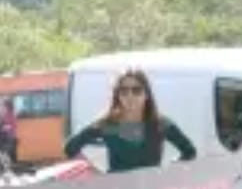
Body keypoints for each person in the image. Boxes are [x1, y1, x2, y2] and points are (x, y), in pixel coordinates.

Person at [64, 68, 196, 172]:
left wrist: (168, 171)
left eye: (136, 90)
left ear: (146, 94)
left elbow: (189, 152)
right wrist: (95, 172)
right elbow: (70, 148)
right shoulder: (108, 125)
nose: (130, 96)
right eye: (124, 91)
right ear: (117, 95)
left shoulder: (160, 124)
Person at [0, 99, 17, 163]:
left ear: (8, 107)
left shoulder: (11, 115)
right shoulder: (3, 114)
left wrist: (5, 127)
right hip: (3, 135)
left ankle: (6, 163)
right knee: (3, 152)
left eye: (4, 106)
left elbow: (14, 125)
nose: (2, 107)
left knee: (6, 152)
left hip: (8, 136)